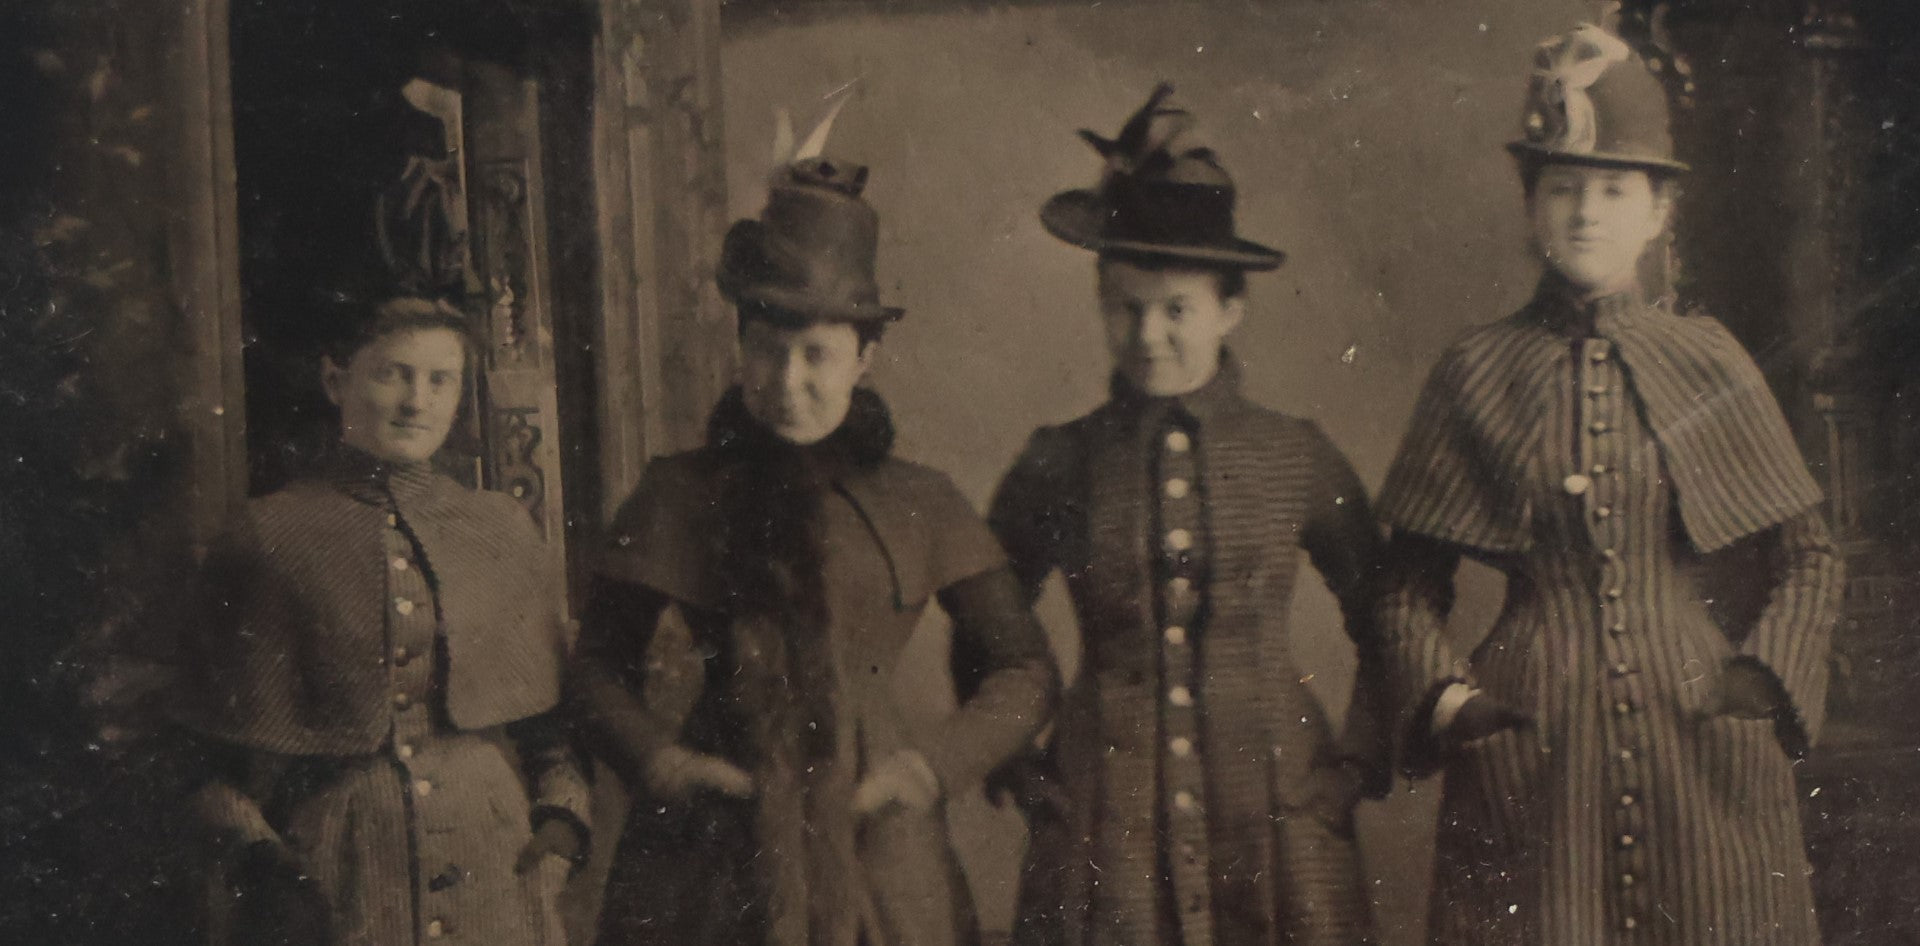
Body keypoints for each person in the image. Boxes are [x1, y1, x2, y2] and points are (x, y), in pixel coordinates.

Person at [1375, 24, 1842, 945]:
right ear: (1532, 206)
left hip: (1703, 741)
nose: (1587, 213)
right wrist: (1450, 701)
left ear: (1658, 211)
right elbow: (1401, 587)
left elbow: (1811, 557)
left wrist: (1763, 678)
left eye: (1614, 190)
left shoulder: (1707, 358)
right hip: (1528, 757)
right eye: (1564, 189)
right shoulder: (1476, 367)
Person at [574, 147, 1059, 946]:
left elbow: (1025, 668)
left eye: (817, 356)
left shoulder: (921, 499)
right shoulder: (677, 491)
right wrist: (665, 764)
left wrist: (929, 770)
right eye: (766, 348)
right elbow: (596, 666)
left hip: (880, 833)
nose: (788, 379)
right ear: (740, 343)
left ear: (864, 359)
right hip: (710, 842)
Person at [978, 84, 1391, 946]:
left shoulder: (1295, 454)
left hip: (1278, 813)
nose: (1150, 334)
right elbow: (986, 626)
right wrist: (1018, 763)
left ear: (1229, 309)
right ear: (1100, 302)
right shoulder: (1058, 460)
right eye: (1126, 307)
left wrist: (1355, 763)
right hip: (1105, 819)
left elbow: (1388, 616)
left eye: (1178, 310)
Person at [166, 296, 589, 946]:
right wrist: (264, 862)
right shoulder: (267, 534)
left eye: (439, 380)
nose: (417, 401)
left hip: (499, 866)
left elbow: (555, 738)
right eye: (393, 374)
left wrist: (560, 828)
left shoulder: (501, 528)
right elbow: (201, 762)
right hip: (340, 869)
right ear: (337, 381)